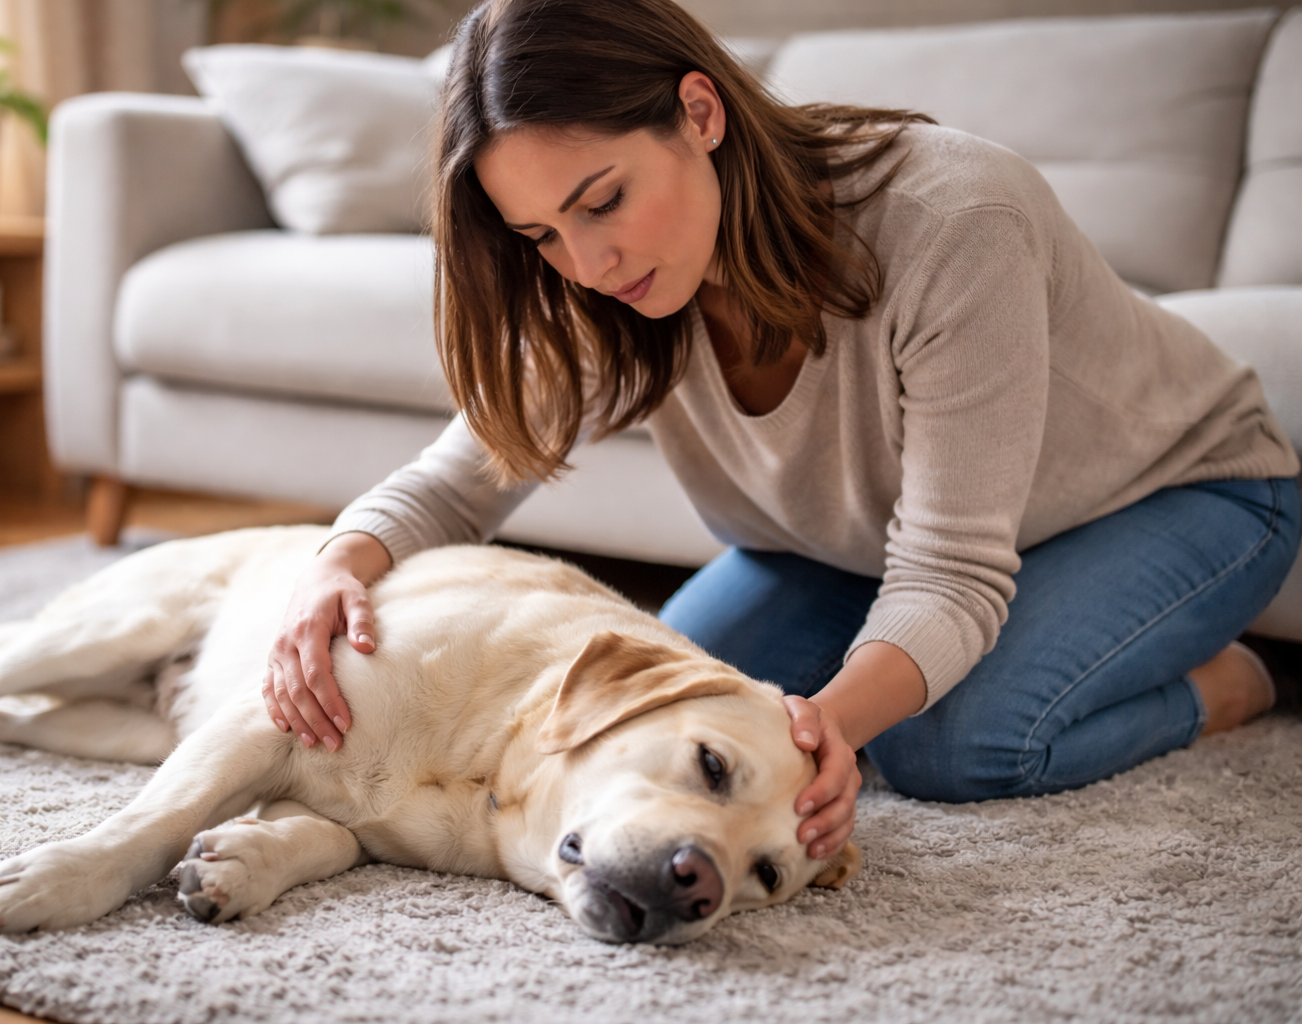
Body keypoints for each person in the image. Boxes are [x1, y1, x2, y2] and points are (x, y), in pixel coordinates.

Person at [260, 0, 1300, 862]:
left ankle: (1237, 678)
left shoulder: (953, 219)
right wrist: (334, 566)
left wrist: (826, 731)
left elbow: (950, 574)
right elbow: (460, 483)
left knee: (949, 744)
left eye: (604, 200)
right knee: (667, 702)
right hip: (858, 551)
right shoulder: (598, 282)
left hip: (1185, 494)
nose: (586, 262)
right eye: (542, 234)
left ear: (699, 112)